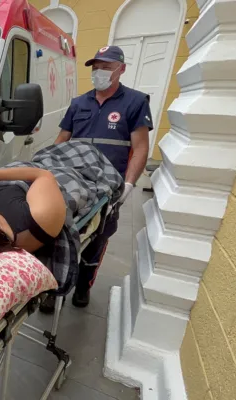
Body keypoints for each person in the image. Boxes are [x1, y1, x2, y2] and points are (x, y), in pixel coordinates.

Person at [53, 45, 152, 309]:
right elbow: (62, 139)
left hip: (108, 184)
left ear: (121, 69)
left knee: (98, 236)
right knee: (58, 231)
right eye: (96, 67)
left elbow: (141, 147)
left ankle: (83, 286)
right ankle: (53, 288)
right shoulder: (79, 103)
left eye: (106, 67)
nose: (99, 72)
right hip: (75, 182)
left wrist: (129, 185)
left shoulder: (134, 102)